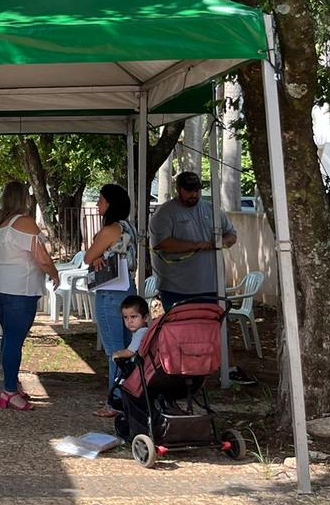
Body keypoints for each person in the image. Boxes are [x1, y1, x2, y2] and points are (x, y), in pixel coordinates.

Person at [0, 181, 60, 411]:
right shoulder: (24, 222)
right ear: (23, 199)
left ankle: (11, 383)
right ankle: (9, 391)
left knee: (9, 337)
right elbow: (42, 257)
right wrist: (54, 274)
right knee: (15, 339)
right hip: (19, 289)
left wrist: (0, 262)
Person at [84, 183, 138, 418]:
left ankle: (114, 401)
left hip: (109, 293)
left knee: (115, 350)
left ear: (111, 204)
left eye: (102, 200)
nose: (98, 204)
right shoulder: (129, 227)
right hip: (129, 290)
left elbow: (88, 256)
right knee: (129, 347)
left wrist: (96, 258)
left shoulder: (110, 230)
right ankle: (130, 395)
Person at [149, 171, 237, 312]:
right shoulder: (165, 213)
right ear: (178, 189)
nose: (194, 194)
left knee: (211, 331)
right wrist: (196, 245)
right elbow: (162, 244)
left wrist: (219, 243)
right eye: (189, 190)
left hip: (212, 287)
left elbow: (232, 235)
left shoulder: (212, 209)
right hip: (176, 290)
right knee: (181, 331)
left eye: (196, 190)